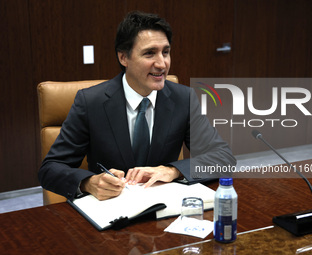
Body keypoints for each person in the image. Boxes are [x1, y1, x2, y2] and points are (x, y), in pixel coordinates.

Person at [38, 11, 236, 201]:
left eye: (165, 52)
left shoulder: (183, 98)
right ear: (123, 57)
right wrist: (89, 183)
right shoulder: (91, 102)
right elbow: (50, 169)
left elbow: (224, 159)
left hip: (164, 208)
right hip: (110, 211)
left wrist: (172, 170)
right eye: (150, 53)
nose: (162, 64)